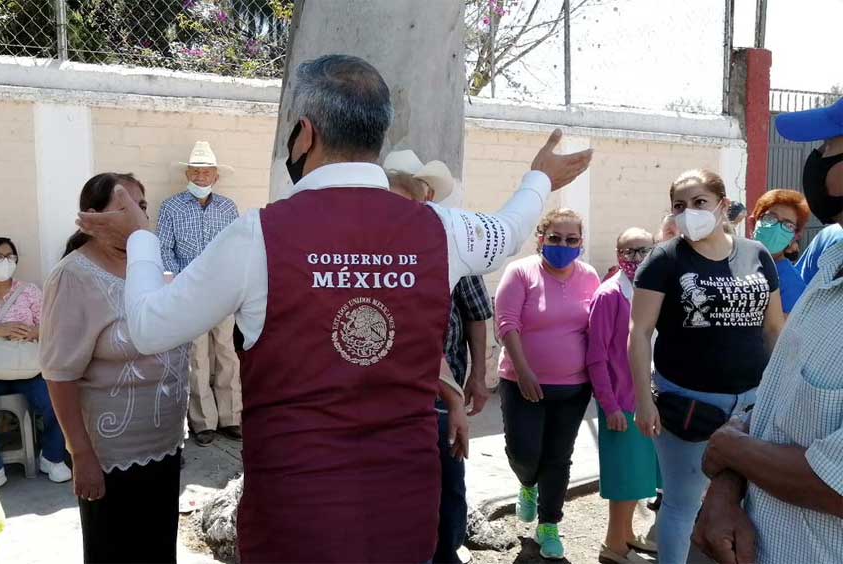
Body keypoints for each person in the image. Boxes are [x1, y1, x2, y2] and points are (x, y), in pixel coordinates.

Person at [75, 54, 592, 563]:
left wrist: (141, 238)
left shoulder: (257, 235)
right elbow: (511, 228)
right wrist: (539, 177)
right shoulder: (443, 228)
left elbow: (147, 327)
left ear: (305, 133)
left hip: (297, 518)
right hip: (404, 510)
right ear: (378, 134)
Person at [691, 92, 843, 564]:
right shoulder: (833, 262)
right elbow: (775, 402)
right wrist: (727, 486)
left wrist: (729, 447)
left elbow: (834, 484)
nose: (815, 159)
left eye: (829, 146)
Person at [628, 169, 785, 564]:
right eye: (679, 206)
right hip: (688, 402)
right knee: (681, 504)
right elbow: (640, 332)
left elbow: (774, 328)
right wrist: (644, 400)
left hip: (753, 403)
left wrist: (783, 390)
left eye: (699, 202)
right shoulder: (663, 260)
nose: (689, 213)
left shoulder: (757, 254)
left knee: (750, 503)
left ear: (721, 204)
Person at [40, 173, 191, 564]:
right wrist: (81, 455)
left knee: (158, 550)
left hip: (164, 445)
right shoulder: (73, 277)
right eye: (125, 207)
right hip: (111, 456)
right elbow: (59, 373)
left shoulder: (151, 265)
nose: (137, 217)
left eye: (141, 207)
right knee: (116, 552)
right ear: (92, 218)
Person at [384, 150, 492, 564]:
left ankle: (447, 551)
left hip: (439, 393)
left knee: (447, 479)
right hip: (388, 395)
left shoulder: (453, 244)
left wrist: (476, 380)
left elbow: (478, 315)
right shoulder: (369, 244)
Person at [494, 207, 600, 560]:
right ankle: (527, 484)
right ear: (540, 238)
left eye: (571, 239)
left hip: (573, 388)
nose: (562, 245)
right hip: (522, 383)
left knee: (559, 456)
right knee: (524, 452)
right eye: (554, 238)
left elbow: (596, 330)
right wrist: (524, 372)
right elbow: (507, 323)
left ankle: (549, 524)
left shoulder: (588, 276)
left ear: (580, 243)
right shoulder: (521, 272)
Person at [0, 237, 70, 488]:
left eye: (11, 257)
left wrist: (34, 332)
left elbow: (52, 326)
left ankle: (52, 456)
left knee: (58, 395)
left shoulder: (29, 292)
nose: (6, 262)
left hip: (26, 364)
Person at [157, 141, 241, 446]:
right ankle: (203, 421)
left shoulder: (228, 208)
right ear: (187, 175)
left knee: (226, 354)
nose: (201, 178)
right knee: (196, 356)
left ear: (216, 177)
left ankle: (231, 417)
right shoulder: (170, 208)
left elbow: (237, 248)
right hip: (189, 293)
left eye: (207, 172)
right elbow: (165, 250)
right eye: (196, 172)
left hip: (223, 292)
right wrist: (176, 287)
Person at [586, 227, 659, 564]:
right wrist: (610, 405)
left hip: (648, 399)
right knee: (624, 479)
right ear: (617, 255)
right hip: (622, 403)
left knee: (638, 476)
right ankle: (613, 547)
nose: (635, 259)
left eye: (643, 250)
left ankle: (627, 538)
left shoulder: (653, 292)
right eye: (628, 252)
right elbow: (597, 357)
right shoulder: (608, 295)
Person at [747, 189, 811, 315]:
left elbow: (782, 331)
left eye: (788, 225)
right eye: (770, 218)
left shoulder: (790, 282)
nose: (776, 229)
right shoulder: (735, 261)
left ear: (794, 238)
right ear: (753, 223)